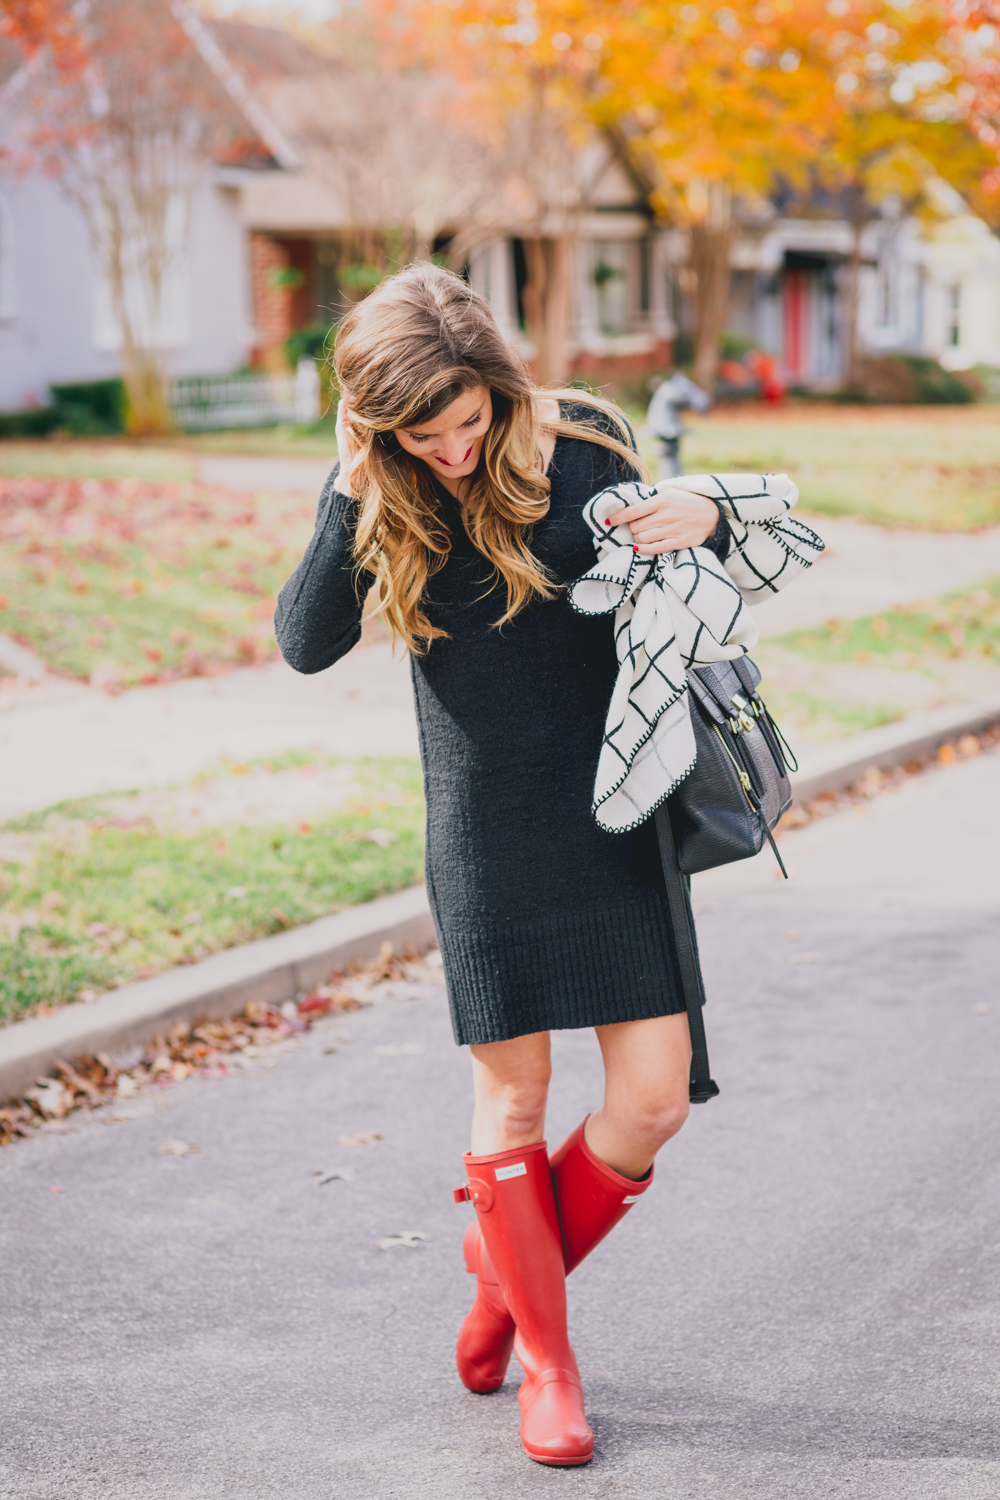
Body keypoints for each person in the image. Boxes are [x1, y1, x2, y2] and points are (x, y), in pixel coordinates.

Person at [274, 264, 729, 1468]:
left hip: (616, 813)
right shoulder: (383, 489)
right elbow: (304, 643)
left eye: (468, 420)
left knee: (653, 1102)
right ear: (379, 428)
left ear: (499, 387)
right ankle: (550, 1361)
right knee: (513, 1103)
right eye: (422, 435)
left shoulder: (582, 450)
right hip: (483, 827)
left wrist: (711, 518)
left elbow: (696, 591)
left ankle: (500, 1280)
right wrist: (349, 482)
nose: (454, 449)